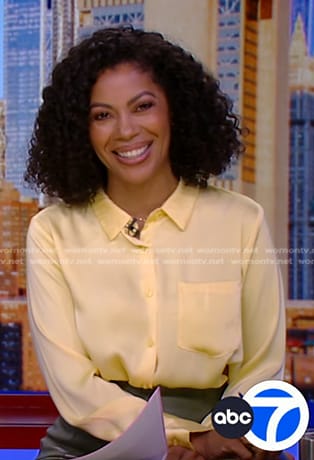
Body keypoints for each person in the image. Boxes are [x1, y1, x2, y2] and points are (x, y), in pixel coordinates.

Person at [25, 26, 290, 460]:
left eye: (143, 106)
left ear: (175, 111)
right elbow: (72, 382)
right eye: (102, 115)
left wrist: (227, 436)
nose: (126, 131)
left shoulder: (241, 221)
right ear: (81, 129)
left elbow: (262, 365)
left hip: (222, 432)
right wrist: (179, 438)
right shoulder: (52, 233)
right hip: (93, 442)